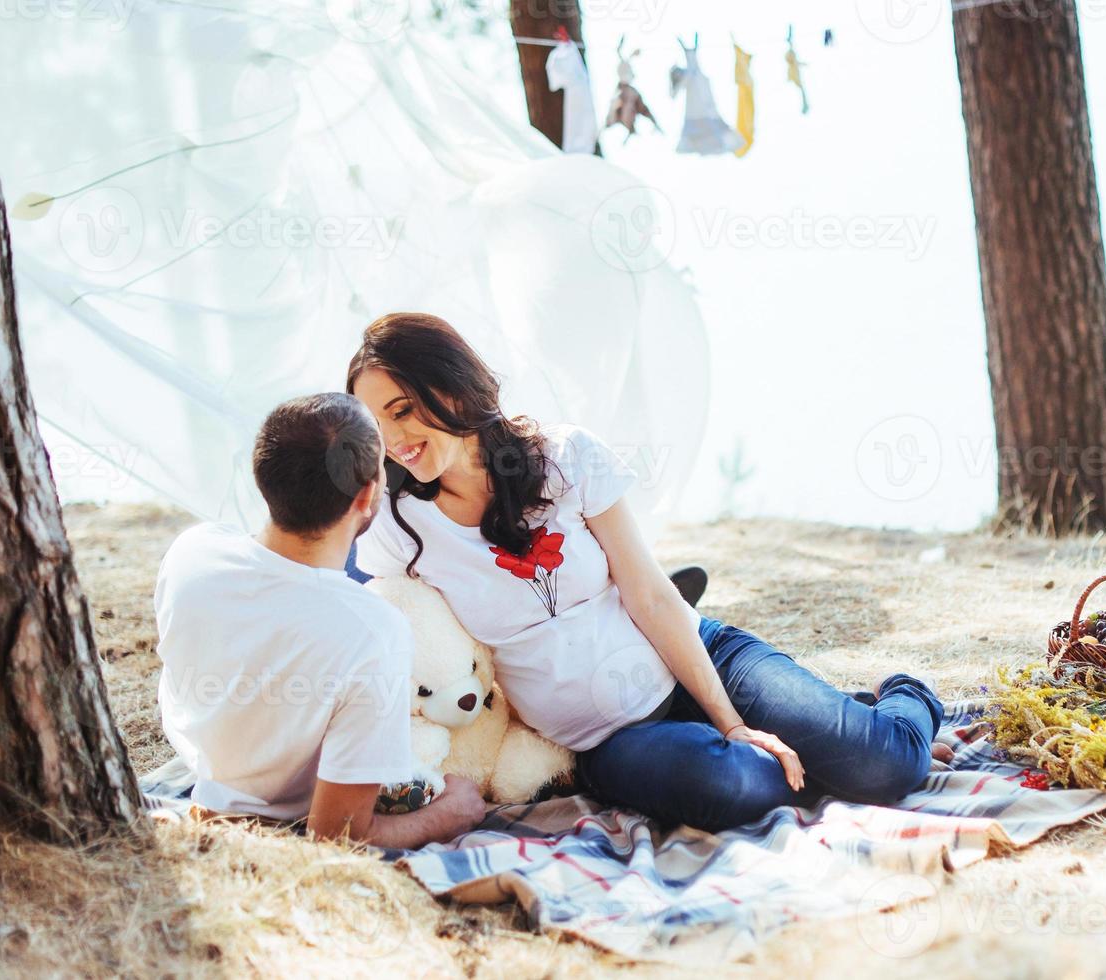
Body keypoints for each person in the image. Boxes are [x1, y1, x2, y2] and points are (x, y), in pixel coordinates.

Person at [347, 313, 947, 832]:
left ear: (450, 385)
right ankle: (819, 744)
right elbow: (362, 621)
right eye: (378, 425)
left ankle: (903, 696)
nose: (394, 439)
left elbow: (652, 594)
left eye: (402, 410)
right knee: (733, 784)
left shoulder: (563, 457)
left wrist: (732, 721)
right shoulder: (399, 530)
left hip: (704, 659)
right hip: (611, 741)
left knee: (887, 768)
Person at [153, 393, 486, 845]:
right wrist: (454, 812)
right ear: (368, 495)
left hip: (205, 763)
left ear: (261, 474)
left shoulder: (192, 551)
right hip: (274, 819)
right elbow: (338, 836)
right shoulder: (373, 631)